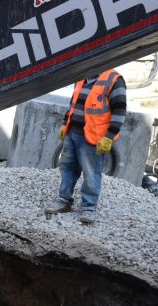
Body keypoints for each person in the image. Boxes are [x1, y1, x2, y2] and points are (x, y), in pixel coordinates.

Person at [44, 69, 127, 225]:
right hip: (73, 133)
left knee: (91, 173)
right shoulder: (82, 75)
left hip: (93, 138)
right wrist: (65, 123)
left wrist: (109, 136)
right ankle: (64, 200)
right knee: (67, 168)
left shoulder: (114, 79)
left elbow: (120, 111)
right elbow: (73, 103)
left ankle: (89, 207)